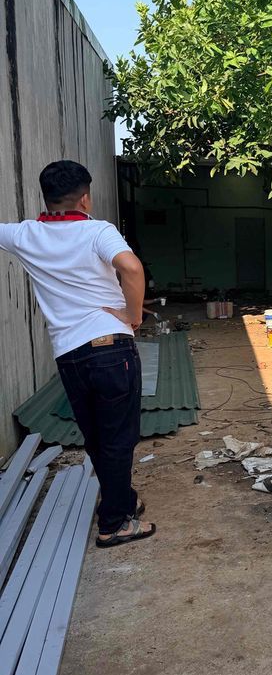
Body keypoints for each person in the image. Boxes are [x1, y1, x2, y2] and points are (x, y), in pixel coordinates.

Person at [0, 160, 156, 548]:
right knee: (118, 438)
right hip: (111, 348)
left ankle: (122, 502)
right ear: (85, 198)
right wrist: (133, 315)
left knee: (98, 438)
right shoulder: (98, 231)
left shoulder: (23, 235)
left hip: (69, 355)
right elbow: (131, 268)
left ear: (46, 197)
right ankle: (115, 524)